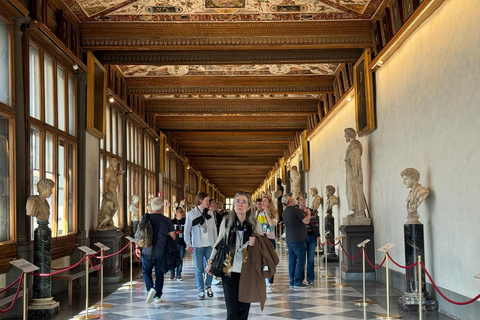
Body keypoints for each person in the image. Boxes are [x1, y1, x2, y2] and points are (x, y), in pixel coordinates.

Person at [205, 191, 263, 320]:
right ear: (234, 205)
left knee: (243, 311)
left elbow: (264, 246)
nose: (240, 204)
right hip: (228, 269)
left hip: (247, 271)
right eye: (237, 201)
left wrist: (257, 241)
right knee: (232, 310)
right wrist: (210, 261)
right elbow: (218, 242)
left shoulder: (254, 224)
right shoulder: (226, 222)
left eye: (243, 202)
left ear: (249, 207)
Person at [135, 198, 174, 304]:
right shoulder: (166, 220)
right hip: (161, 251)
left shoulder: (145, 217)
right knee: (159, 274)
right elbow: (172, 236)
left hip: (147, 250)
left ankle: (150, 289)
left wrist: (137, 247)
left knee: (146, 271)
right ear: (162, 207)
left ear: (152, 207)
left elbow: (139, 234)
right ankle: (157, 296)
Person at [185, 192, 218, 299]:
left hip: (209, 245)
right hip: (197, 245)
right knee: (199, 268)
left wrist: (216, 244)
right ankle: (201, 290)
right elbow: (187, 230)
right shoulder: (191, 214)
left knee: (210, 267)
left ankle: (208, 286)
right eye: (207, 200)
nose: (209, 202)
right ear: (201, 201)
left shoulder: (210, 214)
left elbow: (214, 229)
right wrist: (188, 243)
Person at [282, 195, 310, 287]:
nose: (294, 199)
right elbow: (306, 221)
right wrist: (309, 213)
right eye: (292, 198)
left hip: (289, 239)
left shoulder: (285, 212)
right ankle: (298, 281)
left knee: (292, 260)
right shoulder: (295, 210)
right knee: (301, 260)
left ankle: (292, 280)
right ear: (290, 201)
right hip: (298, 238)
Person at [344, 128, 366, 218]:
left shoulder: (354, 145)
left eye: (345, 134)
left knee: (356, 190)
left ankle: (359, 211)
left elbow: (356, 158)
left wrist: (356, 172)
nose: (345, 136)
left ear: (349, 135)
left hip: (354, 173)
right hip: (350, 173)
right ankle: (355, 211)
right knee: (350, 191)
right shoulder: (351, 145)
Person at [258, 195, 278, 293]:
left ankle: (270, 283)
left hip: (270, 239)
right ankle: (262, 281)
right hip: (261, 238)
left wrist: (267, 214)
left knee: (270, 261)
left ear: (269, 203)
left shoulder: (274, 214)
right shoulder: (258, 213)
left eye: (265, 201)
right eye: (262, 201)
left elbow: (272, 224)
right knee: (261, 260)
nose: (263, 203)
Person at [297, 196, 319, 285]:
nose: (304, 201)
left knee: (311, 259)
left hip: (312, 236)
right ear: (298, 203)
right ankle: (301, 278)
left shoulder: (311, 211)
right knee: (302, 259)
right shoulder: (297, 212)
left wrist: (318, 236)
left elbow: (315, 223)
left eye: (304, 199)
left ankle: (310, 279)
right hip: (302, 237)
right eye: (301, 200)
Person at [170, 206, 186, 280]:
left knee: (180, 259)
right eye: (180, 212)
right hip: (173, 243)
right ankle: (172, 272)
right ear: (176, 213)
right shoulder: (172, 222)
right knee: (173, 258)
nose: (181, 213)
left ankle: (178, 274)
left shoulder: (185, 221)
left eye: (182, 212)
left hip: (182, 243)